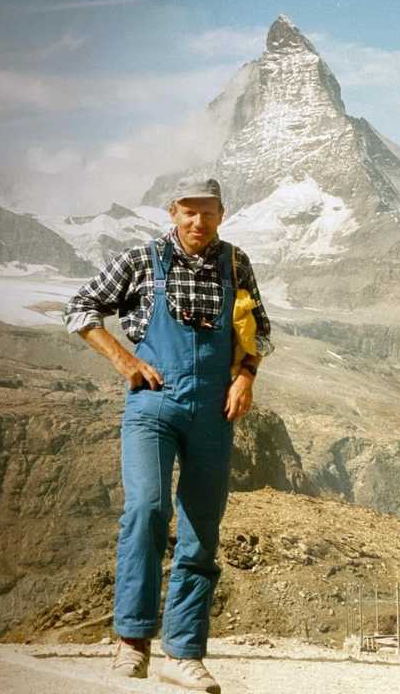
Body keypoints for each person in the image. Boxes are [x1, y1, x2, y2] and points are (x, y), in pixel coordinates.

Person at [64, 178, 272, 692]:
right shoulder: (142, 259)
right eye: (188, 212)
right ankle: (131, 641)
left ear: (222, 214)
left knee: (202, 528)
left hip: (214, 413)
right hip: (154, 406)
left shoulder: (236, 263)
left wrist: (245, 375)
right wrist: (125, 359)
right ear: (172, 212)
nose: (198, 223)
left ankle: (182, 653)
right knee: (147, 510)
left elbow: (260, 330)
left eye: (208, 213)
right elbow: (81, 308)